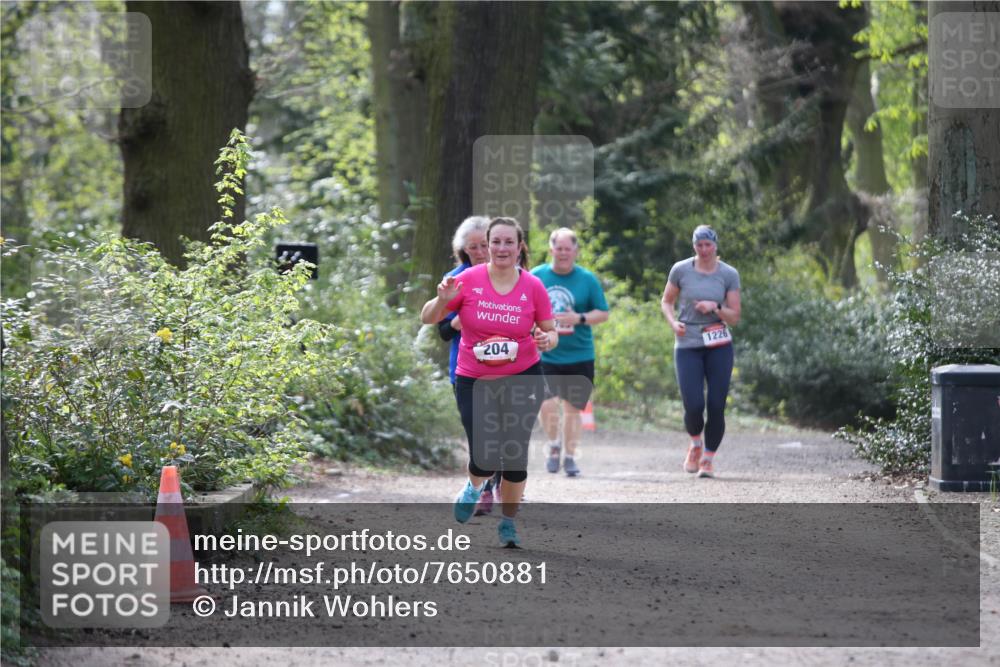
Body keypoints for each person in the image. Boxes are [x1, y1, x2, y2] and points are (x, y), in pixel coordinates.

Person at [421, 217, 557, 547]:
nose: (500, 248)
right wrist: (442, 300)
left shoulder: (533, 286)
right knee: (484, 451)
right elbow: (428, 318)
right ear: (488, 245)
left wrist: (546, 339)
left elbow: (550, 330)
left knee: (514, 454)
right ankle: (474, 487)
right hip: (474, 378)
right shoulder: (466, 279)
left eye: (508, 242)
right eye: (495, 242)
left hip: (523, 376)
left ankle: (508, 523)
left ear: (519, 247)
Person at [660, 225, 741, 478]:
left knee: (716, 404)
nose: (704, 250)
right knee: (693, 404)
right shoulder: (681, 270)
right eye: (699, 245)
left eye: (708, 245)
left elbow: (735, 316)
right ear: (694, 246)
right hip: (687, 344)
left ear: (716, 246)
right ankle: (695, 443)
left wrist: (715, 306)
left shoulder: (728, 273)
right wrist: (673, 323)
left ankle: (708, 458)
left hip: (718, 344)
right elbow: (666, 301)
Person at [434, 216, 501, 515]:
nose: (479, 251)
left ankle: (499, 482)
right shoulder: (454, 279)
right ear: (463, 249)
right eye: (472, 246)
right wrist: (466, 317)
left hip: (507, 366)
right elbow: (443, 331)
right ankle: (483, 488)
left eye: (484, 244)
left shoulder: (513, 277)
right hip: (466, 368)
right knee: (479, 432)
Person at [531, 228, 609, 477]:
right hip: (545, 353)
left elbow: (603, 313)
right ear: (551, 249)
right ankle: (554, 445)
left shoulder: (587, 279)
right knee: (547, 405)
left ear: (575, 251)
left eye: (568, 249)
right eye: (559, 248)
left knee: (574, 409)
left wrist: (580, 317)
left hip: (579, 354)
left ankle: (571, 457)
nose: (563, 253)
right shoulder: (536, 276)